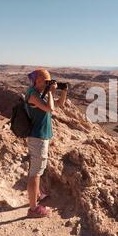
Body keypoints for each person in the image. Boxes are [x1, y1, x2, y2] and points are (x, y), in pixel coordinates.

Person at [25, 69, 67, 218]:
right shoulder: (33, 95)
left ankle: (36, 194)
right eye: (46, 81)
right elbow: (50, 108)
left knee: (37, 170)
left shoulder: (38, 93)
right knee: (35, 173)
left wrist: (63, 91)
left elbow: (58, 104)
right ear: (37, 81)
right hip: (37, 138)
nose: (48, 84)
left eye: (49, 81)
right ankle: (33, 208)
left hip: (40, 137)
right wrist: (50, 92)